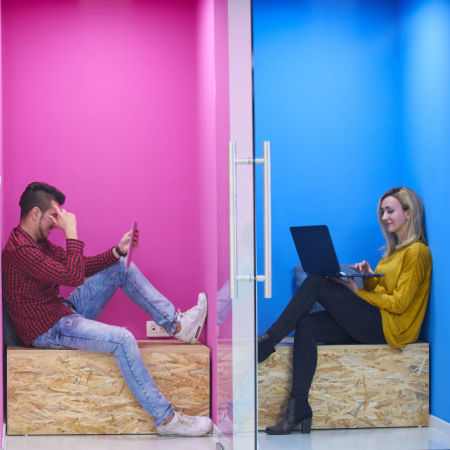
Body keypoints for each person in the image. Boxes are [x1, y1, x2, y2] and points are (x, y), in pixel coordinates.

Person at [2, 181, 212, 437]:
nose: (57, 222)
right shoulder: (20, 250)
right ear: (35, 213)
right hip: (48, 330)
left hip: (59, 312)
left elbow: (80, 268)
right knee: (123, 339)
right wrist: (72, 232)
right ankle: (166, 420)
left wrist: (116, 251)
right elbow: (72, 275)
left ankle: (179, 326)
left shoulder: (36, 243)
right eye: (53, 216)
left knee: (121, 266)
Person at [258, 186, 432, 435]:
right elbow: (384, 291)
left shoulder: (417, 252)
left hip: (391, 329)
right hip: (376, 321)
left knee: (317, 281)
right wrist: (368, 278)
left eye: (390, 211)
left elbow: (399, 304)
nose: (384, 217)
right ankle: (298, 408)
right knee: (307, 324)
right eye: (382, 212)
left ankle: (267, 341)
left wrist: (357, 291)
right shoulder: (392, 252)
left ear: (408, 213)